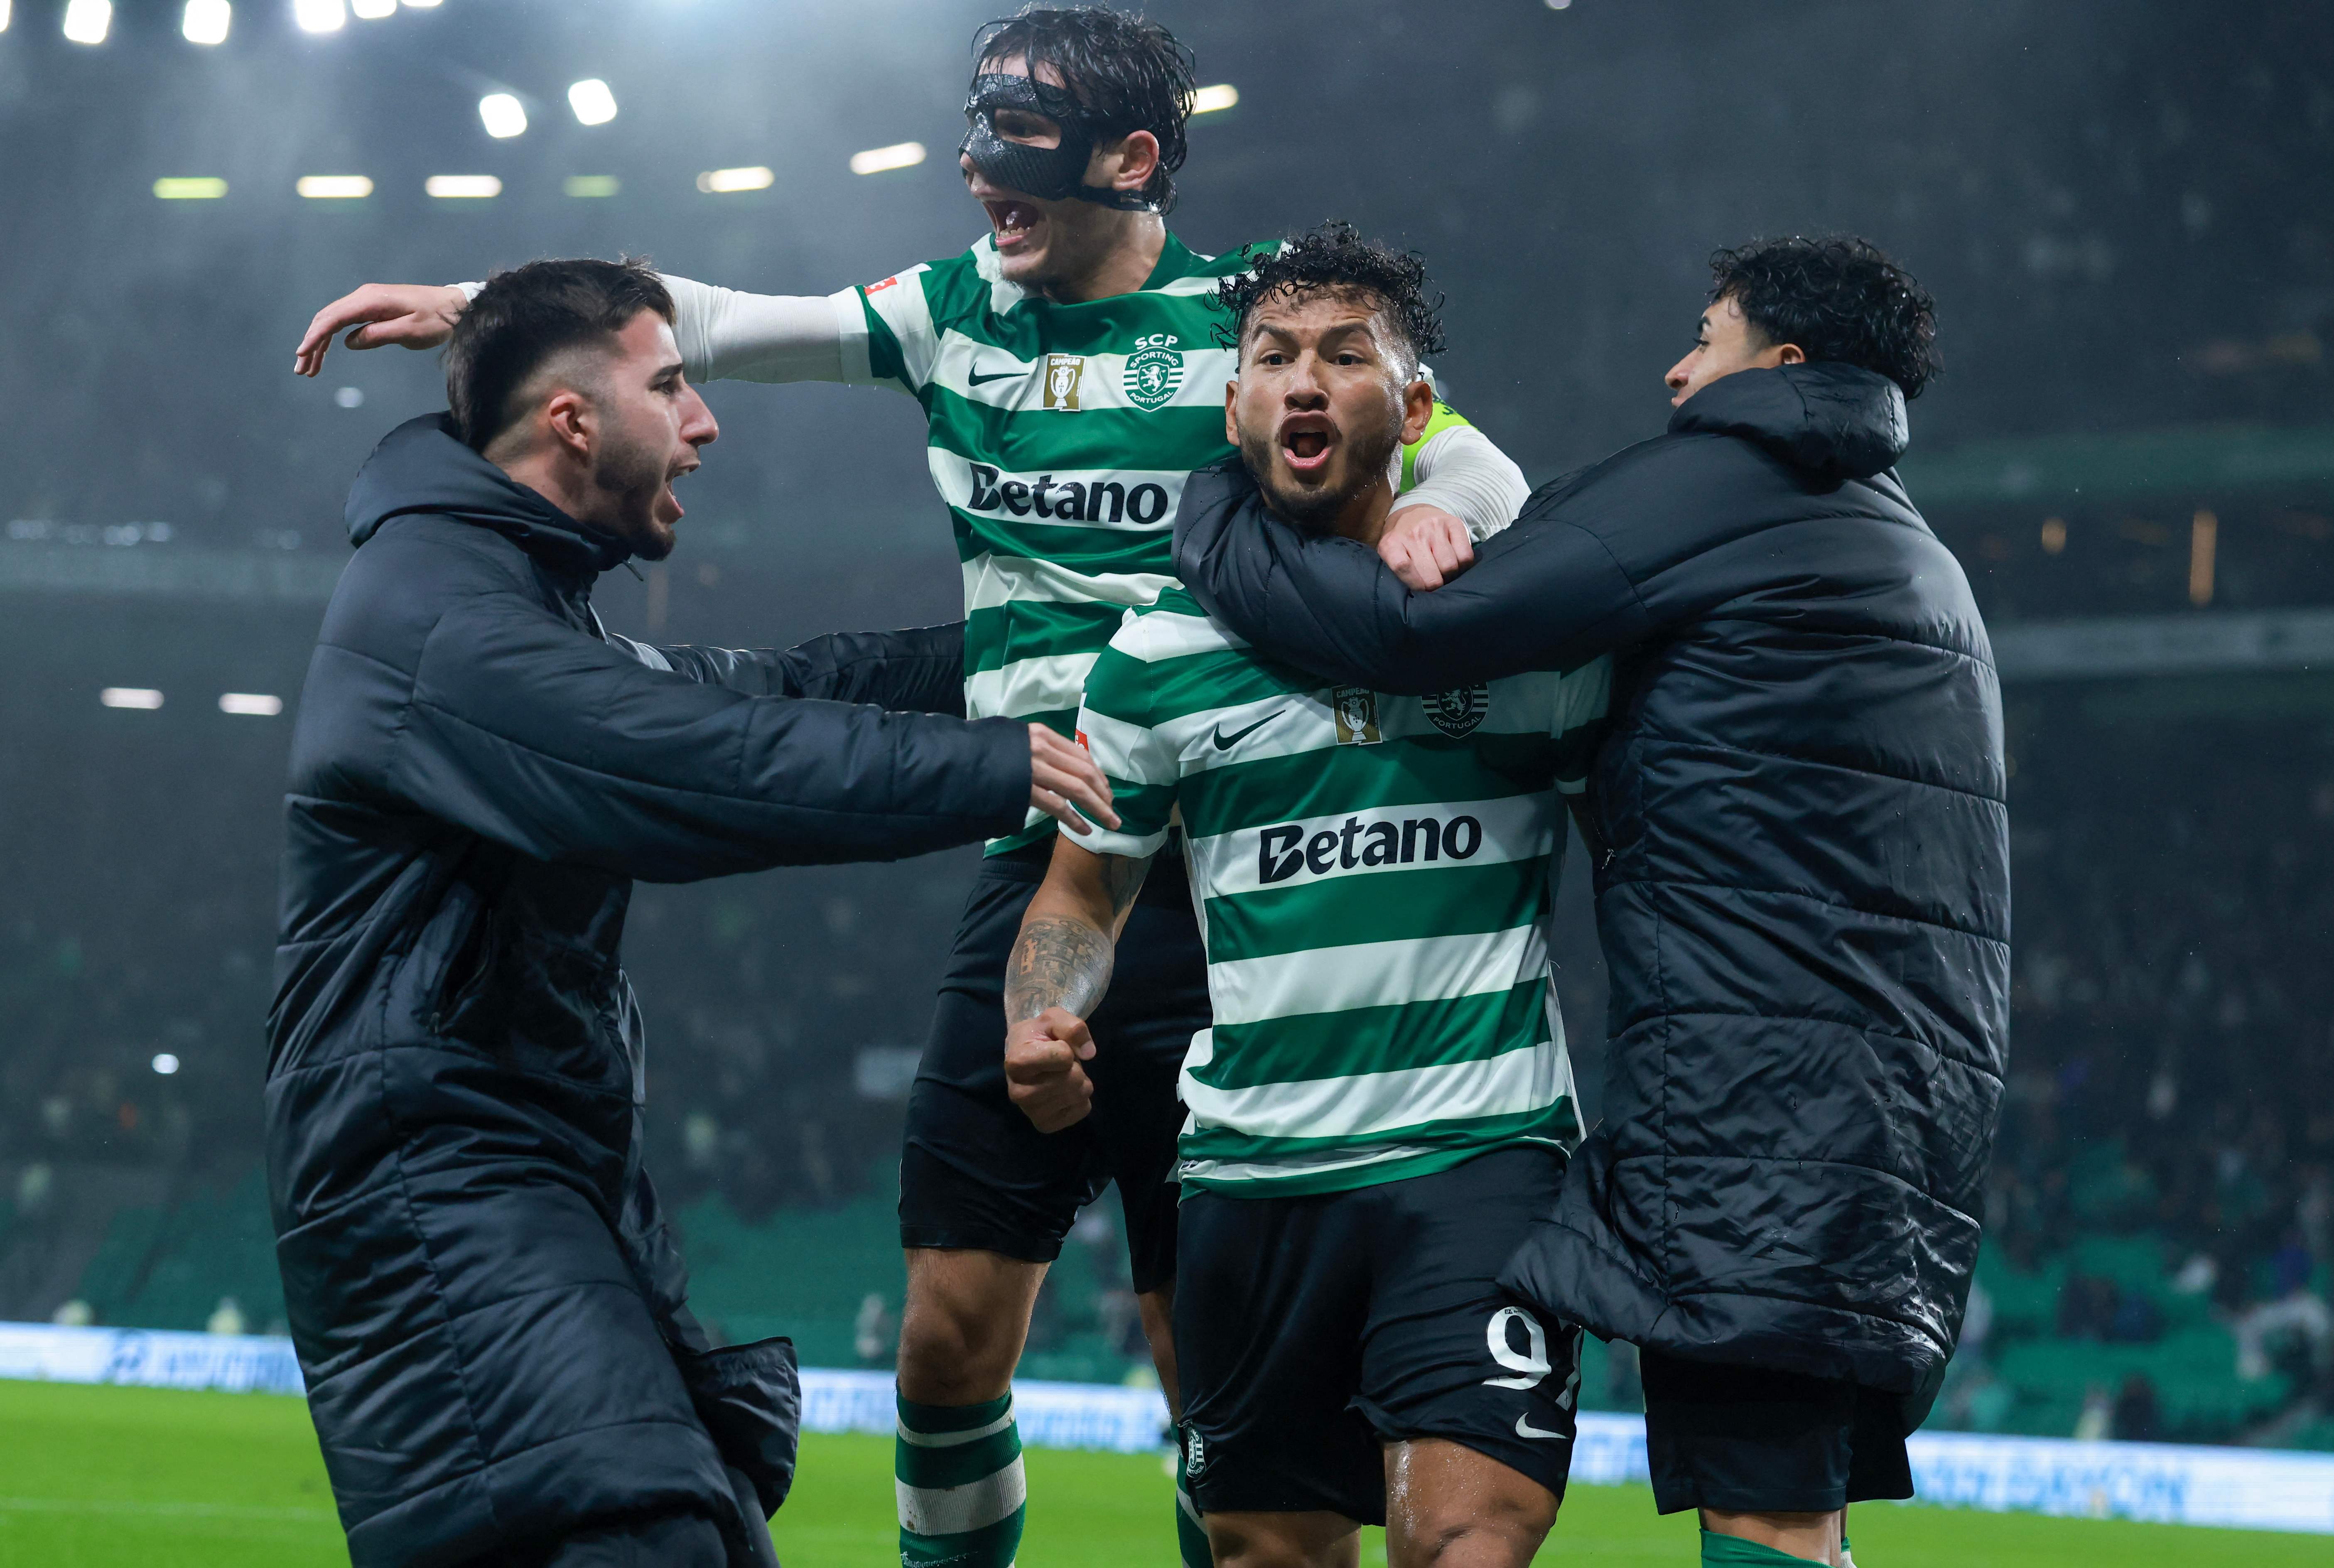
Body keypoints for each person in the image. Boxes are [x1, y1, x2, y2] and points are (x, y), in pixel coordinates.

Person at [288, 11, 1532, 1566]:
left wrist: (1447, 523)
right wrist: (484, 306)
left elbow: (1463, 448)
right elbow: (729, 319)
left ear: (1135, 158)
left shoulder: (1255, 316)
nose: (977, 174)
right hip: (1043, 855)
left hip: (1232, 875)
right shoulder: (949, 310)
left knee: (1198, 1367)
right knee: (944, 1342)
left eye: (1021, 140)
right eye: (977, 130)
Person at [1175, 236, 2010, 1568]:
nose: (1678, 366)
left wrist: (1210, 517)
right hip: (1887, 1085)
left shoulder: (1724, 483)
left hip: (1763, 1086)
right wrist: (1430, 481)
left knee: (1764, 1499)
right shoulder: (1894, 537)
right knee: (1787, 1491)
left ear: (1781, 365)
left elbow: (1414, 634)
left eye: (1709, 335)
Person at [266, 258, 1116, 1568]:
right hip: (426, 1180)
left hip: (530, 1162)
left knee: (697, 1533)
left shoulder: (522, 606)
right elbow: (703, 767)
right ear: (571, 423)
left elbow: (773, 692)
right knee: (637, 1541)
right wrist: (1007, 767)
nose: (706, 421)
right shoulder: (442, 625)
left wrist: (1031, 649)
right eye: (671, 386)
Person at [1002, 225, 1609, 1568]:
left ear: (1411, 403)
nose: (1303, 382)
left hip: (1476, 1153)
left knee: (1466, 1543)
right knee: (1267, 1555)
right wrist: (1040, 1014)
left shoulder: (1516, 629)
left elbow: (1635, 830)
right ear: (1233, 407)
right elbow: (1077, 900)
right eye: (1271, 357)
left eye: (1346, 355)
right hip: (1253, 1168)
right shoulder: (1157, 653)